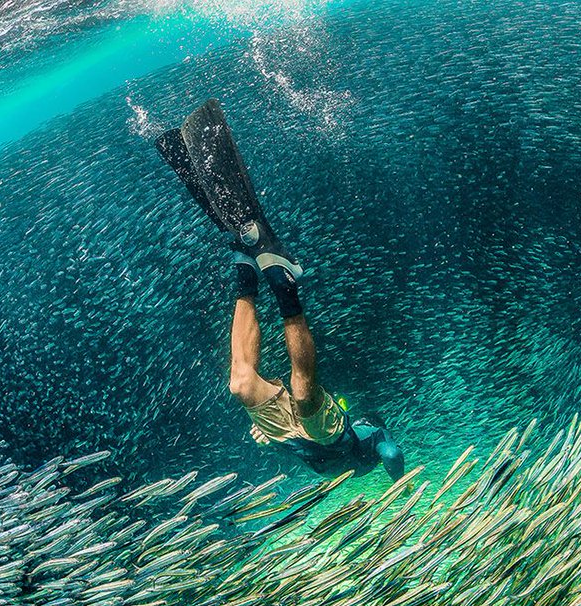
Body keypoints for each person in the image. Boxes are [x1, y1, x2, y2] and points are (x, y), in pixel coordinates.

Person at [156, 99, 405, 481]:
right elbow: (389, 449)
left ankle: (245, 262)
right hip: (323, 434)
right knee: (305, 395)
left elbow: (295, 446)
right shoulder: (365, 441)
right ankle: (285, 284)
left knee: (240, 385)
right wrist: (399, 480)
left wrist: (270, 438)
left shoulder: (342, 463)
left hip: (289, 437)